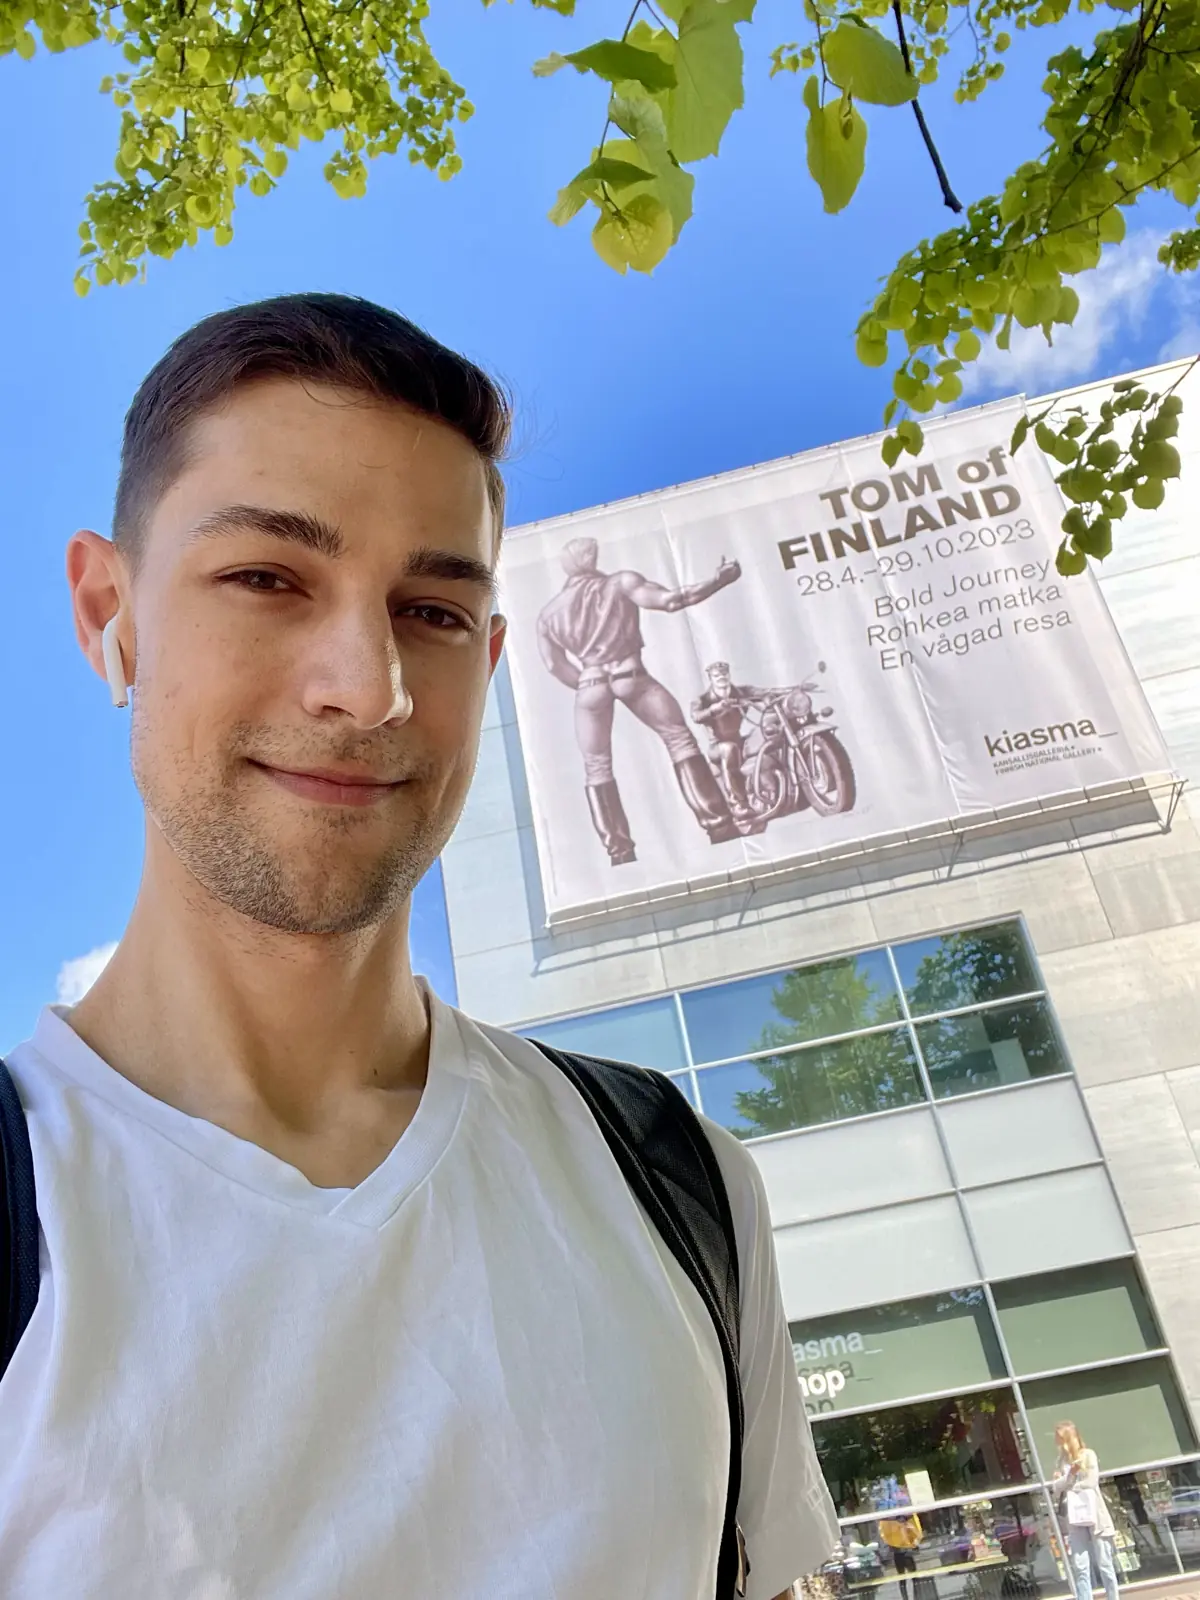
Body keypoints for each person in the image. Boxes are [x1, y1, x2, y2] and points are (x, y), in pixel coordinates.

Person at [0, 295, 837, 1598]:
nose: (367, 684)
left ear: (489, 660)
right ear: (109, 610)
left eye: (434, 611)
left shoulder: (680, 1187)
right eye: (268, 578)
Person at [536, 535, 743, 864]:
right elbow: (672, 600)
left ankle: (620, 853)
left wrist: (588, 683)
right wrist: (718, 581)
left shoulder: (549, 613)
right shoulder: (621, 583)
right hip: (629, 673)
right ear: (592, 559)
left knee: (596, 766)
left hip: (590, 683)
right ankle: (719, 826)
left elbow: (553, 664)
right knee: (679, 740)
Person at [691, 660, 770, 826]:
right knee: (729, 749)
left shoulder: (740, 692)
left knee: (763, 738)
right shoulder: (704, 699)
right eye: (717, 676)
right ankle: (737, 804)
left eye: (724, 674)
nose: (722, 678)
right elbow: (696, 716)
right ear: (711, 678)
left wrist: (793, 690)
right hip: (717, 746)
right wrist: (715, 708)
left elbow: (765, 692)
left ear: (729, 674)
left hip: (738, 739)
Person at [1051, 1421, 1121, 1600]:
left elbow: (1091, 1481)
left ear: (1067, 1438)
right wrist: (1071, 1475)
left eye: (1059, 1437)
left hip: (1095, 1514)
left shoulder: (1088, 1455)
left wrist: (1070, 1486)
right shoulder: (1061, 1461)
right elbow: (1056, 1487)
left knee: (1105, 1563)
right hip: (1075, 1516)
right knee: (1080, 1565)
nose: (1056, 1441)